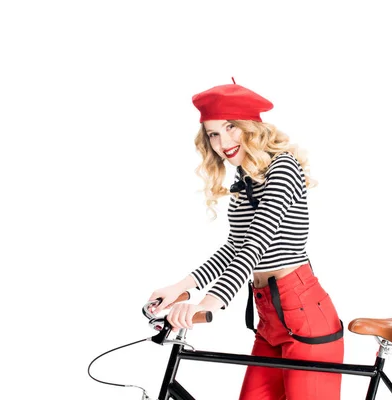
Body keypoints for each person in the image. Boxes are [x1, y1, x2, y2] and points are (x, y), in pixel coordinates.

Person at [147, 79, 344, 400]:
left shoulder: (283, 168)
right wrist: (182, 286)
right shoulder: (246, 177)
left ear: (251, 128)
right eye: (213, 133)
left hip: (304, 312)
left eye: (230, 128)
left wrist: (212, 301)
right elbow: (235, 246)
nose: (222, 141)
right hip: (270, 317)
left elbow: (256, 244)